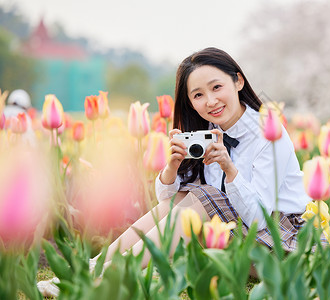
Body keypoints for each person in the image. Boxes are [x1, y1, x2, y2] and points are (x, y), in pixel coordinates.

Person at [38, 47, 311, 297]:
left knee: (204, 197)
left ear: (238, 81)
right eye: (198, 95)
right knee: (192, 194)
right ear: (190, 102)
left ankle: (104, 278)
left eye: (217, 87)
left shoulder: (268, 132)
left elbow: (258, 219)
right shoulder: (207, 133)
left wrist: (229, 168)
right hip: (240, 238)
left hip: (280, 243)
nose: (211, 101)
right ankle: (93, 268)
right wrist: (172, 166)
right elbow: (168, 201)